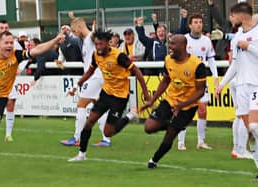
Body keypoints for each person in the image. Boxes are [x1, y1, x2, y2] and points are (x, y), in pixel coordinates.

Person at [0, 31, 65, 160]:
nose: (9, 46)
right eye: (6, 43)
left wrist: (54, 40)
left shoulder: (16, 55)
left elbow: (37, 50)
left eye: (11, 43)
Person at [67, 30, 150, 161]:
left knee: (108, 132)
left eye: (100, 44)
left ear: (107, 43)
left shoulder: (118, 56)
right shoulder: (96, 55)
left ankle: (130, 115)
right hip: (106, 94)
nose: (98, 47)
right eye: (96, 44)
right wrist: (77, 85)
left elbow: (137, 72)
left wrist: (146, 93)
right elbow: (89, 72)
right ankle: (81, 154)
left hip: (120, 97)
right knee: (89, 123)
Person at [140, 34, 206, 168]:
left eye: (173, 44)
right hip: (170, 100)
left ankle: (154, 160)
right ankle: (174, 125)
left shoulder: (197, 65)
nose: (169, 46)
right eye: (169, 43)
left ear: (183, 46)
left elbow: (200, 91)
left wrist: (181, 105)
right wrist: (152, 100)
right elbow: (165, 80)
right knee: (149, 127)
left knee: (170, 134)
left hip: (188, 106)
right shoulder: (168, 60)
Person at [216, 2, 258, 180]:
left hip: (256, 84)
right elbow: (235, 64)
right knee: (251, 131)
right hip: (241, 87)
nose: (230, 19)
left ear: (241, 16)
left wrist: (249, 46)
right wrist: (222, 84)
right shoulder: (236, 38)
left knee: (255, 127)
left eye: (232, 16)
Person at [60, 17, 111, 147]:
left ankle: (77, 137)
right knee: (99, 108)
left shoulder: (90, 38)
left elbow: (98, 39)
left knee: (81, 105)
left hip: (95, 77)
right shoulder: (84, 40)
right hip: (98, 77)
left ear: (79, 27)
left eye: (73, 30)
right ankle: (106, 139)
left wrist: (94, 31)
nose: (73, 32)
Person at [177, 14, 219, 151]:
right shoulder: (184, 40)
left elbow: (211, 59)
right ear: (189, 25)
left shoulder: (206, 41)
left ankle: (201, 141)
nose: (198, 24)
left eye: (200, 22)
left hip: (201, 81)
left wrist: (216, 77)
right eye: (195, 22)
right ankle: (180, 142)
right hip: (185, 81)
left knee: (202, 110)